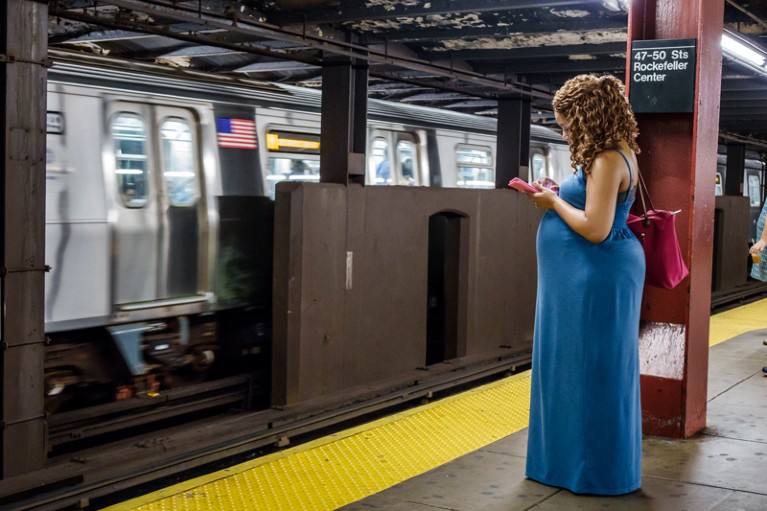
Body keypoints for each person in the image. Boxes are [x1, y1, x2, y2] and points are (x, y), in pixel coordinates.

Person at [523, 74, 646, 494]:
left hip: (594, 276)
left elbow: (596, 228)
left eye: (566, 124)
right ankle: (565, 463)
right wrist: (561, 193)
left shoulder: (607, 158)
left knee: (592, 372)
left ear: (585, 116)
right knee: (575, 368)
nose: (564, 131)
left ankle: (594, 471)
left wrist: (552, 201)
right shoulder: (612, 152)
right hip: (580, 279)